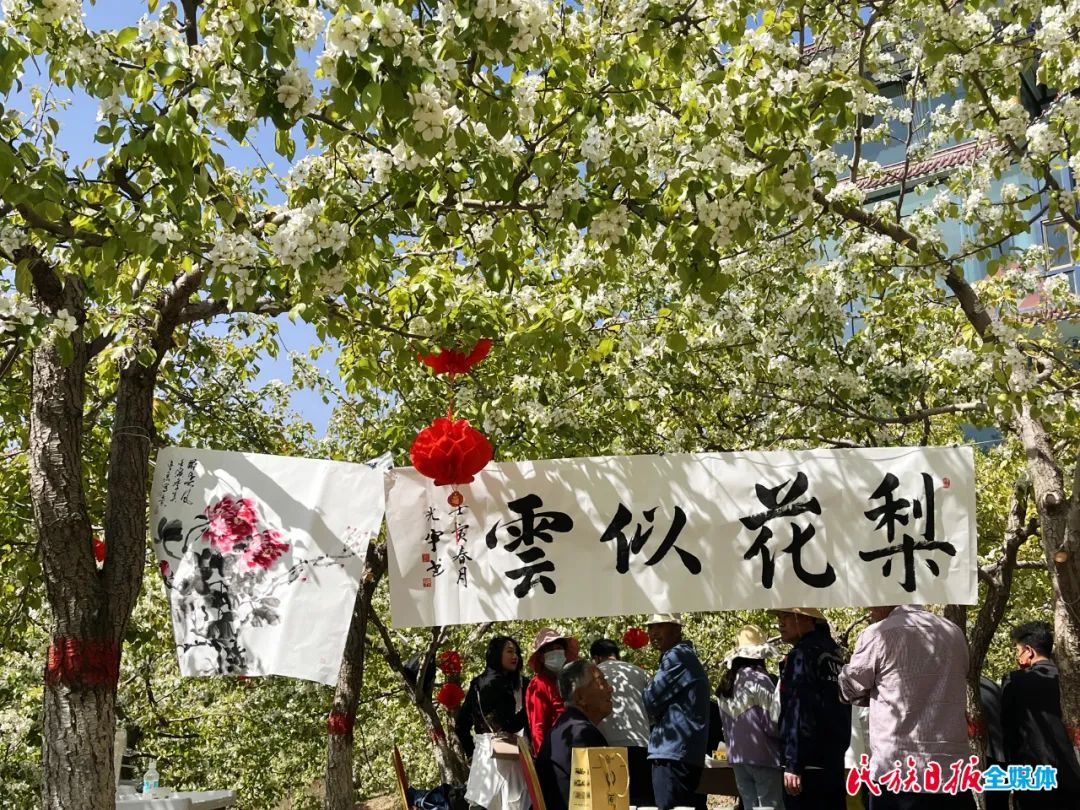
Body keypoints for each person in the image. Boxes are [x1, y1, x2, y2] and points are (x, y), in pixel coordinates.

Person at [838, 605, 973, 810]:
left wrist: (871, 693)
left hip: (898, 773)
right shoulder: (954, 632)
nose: (869, 608)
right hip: (952, 773)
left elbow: (849, 689)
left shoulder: (877, 634)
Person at [773, 607, 851, 810]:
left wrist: (793, 762)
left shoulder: (802, 654)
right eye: (779, 617)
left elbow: (798, 708)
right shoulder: (834, 654)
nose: (780, 623)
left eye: (786, 616)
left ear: (807, 619)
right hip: (832, 761)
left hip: (808, 765)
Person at [1000, 620, 1080, 809]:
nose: (1017, 656)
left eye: (1017, 650)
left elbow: (1009, 733)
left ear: (1028, 651)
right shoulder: (1071, 680)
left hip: (1033, 777)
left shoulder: (1015, 681)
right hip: (1073, 778)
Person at [642, 613, 710, 810]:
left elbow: (650, 700)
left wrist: (648, 687)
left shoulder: (676, 657)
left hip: (673, 754)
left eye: (659, 626)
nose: (653, 632)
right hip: (680, 752)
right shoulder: (683, 656)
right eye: (651, 627)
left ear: (677, 629)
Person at [456, 636, 531, 810]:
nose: (515, 656)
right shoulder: (502, 684)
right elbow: (508, 726)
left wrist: (471, 753)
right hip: (507, 758)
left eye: (516, 652)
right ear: (497, 654)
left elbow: (461, 725)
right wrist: (529, 709)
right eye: (510, 651)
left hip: (482, 760)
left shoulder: (477, 683)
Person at [715, 624, 784, 810]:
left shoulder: (726, 683)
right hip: (764, 757)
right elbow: (772, 723)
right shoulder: (760, 680)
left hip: (738, 758)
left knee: (749, 806)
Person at [535, 658, 613, 810]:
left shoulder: (566, 727)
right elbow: (603, 801)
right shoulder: (582, 734)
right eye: (601, 682)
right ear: (580, 698)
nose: (610, 689)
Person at [590, 638, 655, 806]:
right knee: (642, 802)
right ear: (616, 654)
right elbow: (653, 711)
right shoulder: (640, 673)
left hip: (606, 748)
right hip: (641, 745)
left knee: (613, 804)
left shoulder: (593, 675)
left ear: (596, 658)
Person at [525, 628, 580, 753]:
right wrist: (543, 758)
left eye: (558, 648)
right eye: (550, 650)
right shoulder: (538, 684)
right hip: (553, 753)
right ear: (541, 658)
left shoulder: (564, 682)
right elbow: (537, 728)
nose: (556, 652)